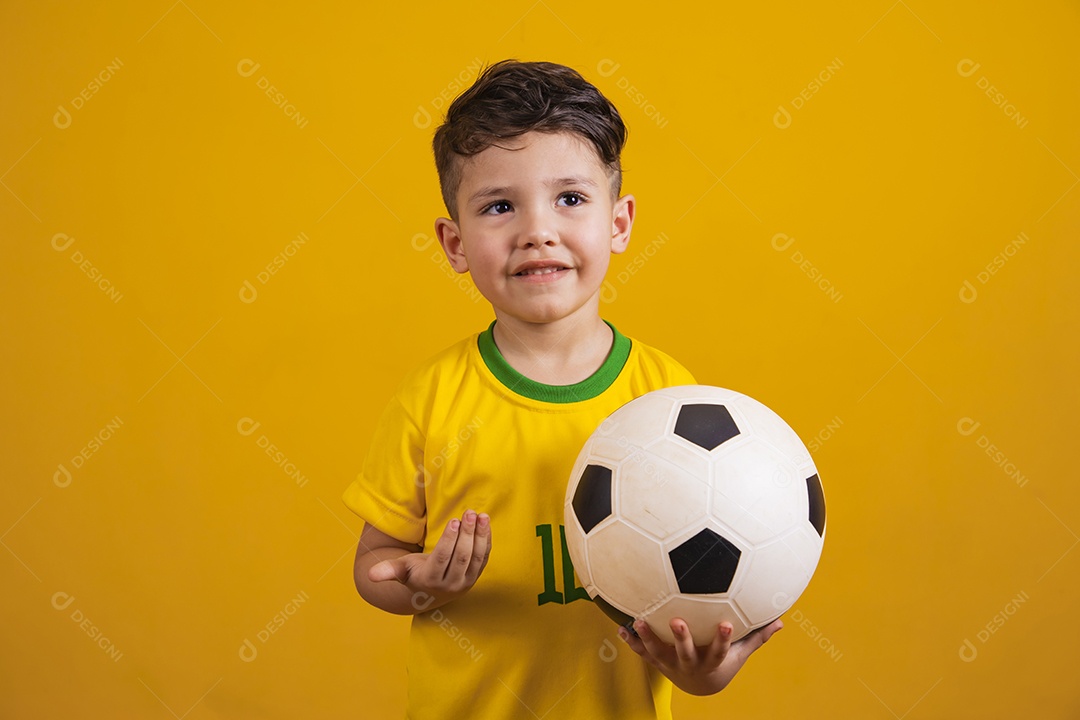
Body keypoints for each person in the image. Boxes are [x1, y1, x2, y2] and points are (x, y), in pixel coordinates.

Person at [342, 59, 782, 719]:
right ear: (454, 243)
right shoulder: (432, 400)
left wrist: (705, 671)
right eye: (499, 206)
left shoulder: (670, 402)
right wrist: (420, 584)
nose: (537, 230)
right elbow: (375, 565)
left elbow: (693, 625)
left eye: (570, 199)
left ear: (620, 222)